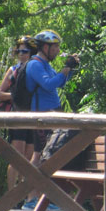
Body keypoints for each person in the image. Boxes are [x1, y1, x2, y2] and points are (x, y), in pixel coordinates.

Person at [26, 29, 80, 166]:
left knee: (52, 150)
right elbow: (48, 85)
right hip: (42, 115)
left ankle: (40, 180)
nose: (58, 50)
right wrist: (65, 70)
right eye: (55, 46)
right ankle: (31, 180)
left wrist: (69, 68)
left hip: (53, 112)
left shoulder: (46, 65)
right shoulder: (35, 64)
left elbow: (59, 83)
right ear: (46, 47)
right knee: (39, 154)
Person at [0, 35, 38, 195]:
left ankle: (25, 195)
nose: (21, 54)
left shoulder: (36, 70)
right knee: (17, 157)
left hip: (33, 117)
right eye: (18, 51)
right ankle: (11, 195)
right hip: (17, 116)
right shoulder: (13, 70)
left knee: (29, 157)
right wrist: (15, 96)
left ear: (32, 52)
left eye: (24, 51)